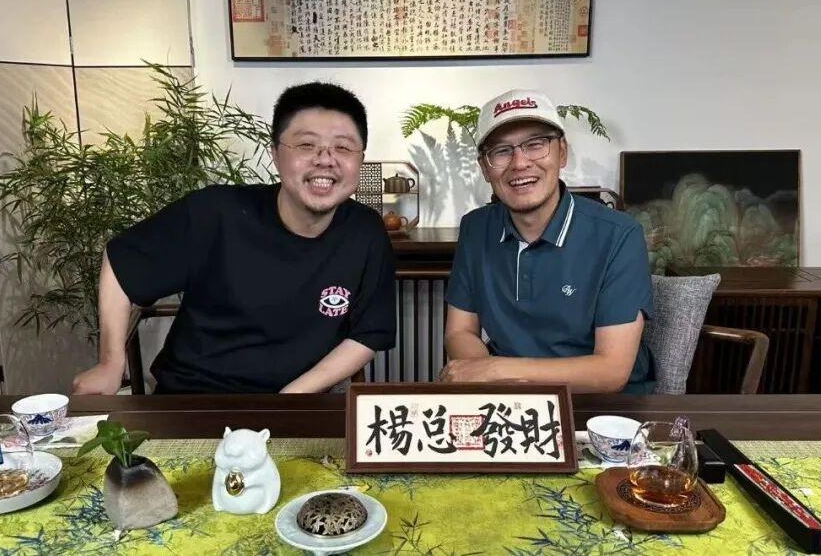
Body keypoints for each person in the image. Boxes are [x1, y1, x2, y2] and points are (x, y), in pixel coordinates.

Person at [72, 82, 395, 394]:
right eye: (306, 145)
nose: (325, 159)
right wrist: (110, 364)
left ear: (360, 159)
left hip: (300, 401)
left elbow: (367, 334)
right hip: (194, 398)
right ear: (275, 154)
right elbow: (123, 264)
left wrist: (291, 399)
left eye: (343, 147)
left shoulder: (365, 231)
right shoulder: (215, 212)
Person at [440, 89, 655, 393]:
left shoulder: (619, 234)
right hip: (507, 399)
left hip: (598, 405)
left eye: (535, 145)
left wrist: (495, 371)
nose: (519, 163)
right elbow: (459, 332)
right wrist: (492, 381)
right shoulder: (475, 229)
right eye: (501, 151)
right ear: (485, 168)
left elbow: (611, 370)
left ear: (562, 152)